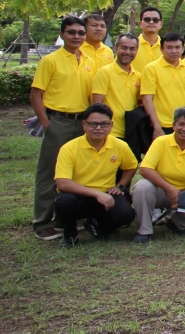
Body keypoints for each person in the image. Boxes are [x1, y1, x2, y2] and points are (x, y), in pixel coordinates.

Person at [29, 16, 96, 240]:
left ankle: (64, 218)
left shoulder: (88, 60)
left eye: (81, 33)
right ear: (62, 34)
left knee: (77, 171)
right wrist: (46, 124)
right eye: (71, 32)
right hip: (58, 120)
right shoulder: (50, 61)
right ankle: (42, 222)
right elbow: (36, 94)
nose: (77, 36)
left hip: (82, 122)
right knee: (50, 171)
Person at [53, 104, 137, 247]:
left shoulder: (120, 145)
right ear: (84, 125)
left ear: (111, 125)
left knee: (126, 214)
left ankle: (96, 224)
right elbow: (62, 183)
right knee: (64, 202)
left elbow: (131, 167)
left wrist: (120, 186)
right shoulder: (69, 148)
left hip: (106, 194)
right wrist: (96, 194)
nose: (98, 128)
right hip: (78, 195)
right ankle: (70, 235)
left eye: (104, 124)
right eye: (93, 124)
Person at [131, 107, 185, 243]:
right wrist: (169, 188)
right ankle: (144, 230)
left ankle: (176, 222)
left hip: (184, 190)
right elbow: (145, 169)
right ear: (173, 125)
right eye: (181, 124)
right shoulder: (160, 142)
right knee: (142, 187)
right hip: (159, 189)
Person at [140, 33, 185, 138]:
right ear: (162, 49)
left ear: (182, 49)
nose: (174, 51)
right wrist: (157, 127)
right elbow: (147, 99)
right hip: (161, 125)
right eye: (169, 48)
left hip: (184, 125)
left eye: (177, 47)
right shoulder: (151, 68)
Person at [90, 33, 141, 140]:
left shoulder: (138, 76)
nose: (127, 52)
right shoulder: (105, 72)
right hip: (109, 132)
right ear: (116, 48)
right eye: (124, 48)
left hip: (130, 132)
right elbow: (97, 105)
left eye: (132, 49)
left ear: (137, 51)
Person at [133, 6, 164, 71]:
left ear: (161, 24)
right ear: (140, 24)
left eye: (155, 20)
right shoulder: (130, 46)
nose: (151, 22)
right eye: (147, 19)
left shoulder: (167, 47)